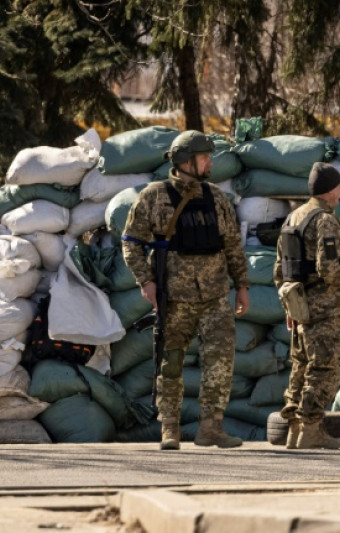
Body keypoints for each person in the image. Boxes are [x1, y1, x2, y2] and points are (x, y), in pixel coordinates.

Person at [122, 130, 251, 451]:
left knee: (220, 361)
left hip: (215, 296)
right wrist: (145, 281)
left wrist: (243, 286)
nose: (210, 163)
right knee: (171, 363)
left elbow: (233, 246)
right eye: (204, 157)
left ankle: (211, 427)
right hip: (174, 297)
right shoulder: (154, 196)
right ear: (185, 161)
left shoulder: (217, 199)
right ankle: (169, 428)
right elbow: (131, 243)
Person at [274, 162, 340, 449]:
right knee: (323, 367)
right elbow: (328, 269)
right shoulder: (324, 220)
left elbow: (280, 269)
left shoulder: (293, 218)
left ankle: (295, 430)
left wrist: (291, 306)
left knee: (300, 366)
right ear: (330, 190)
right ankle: (311, 430)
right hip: (326, 309)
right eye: (338, 187)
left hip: (301, 307)